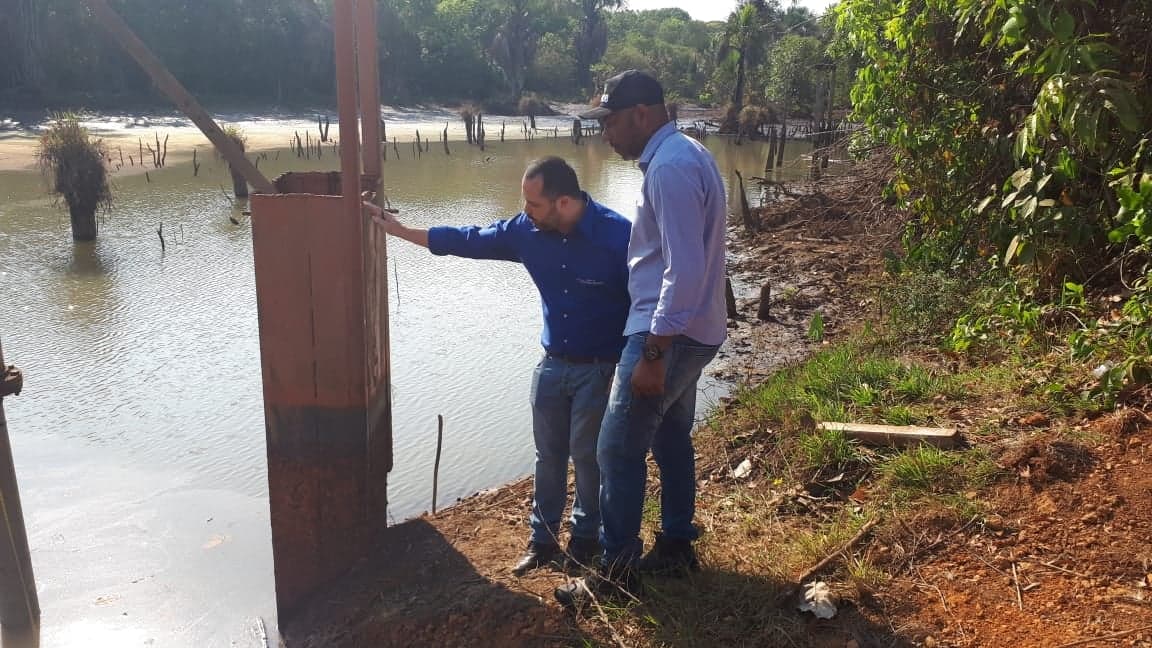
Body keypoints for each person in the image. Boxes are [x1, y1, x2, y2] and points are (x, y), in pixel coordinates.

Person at [363, 157, 632, 576]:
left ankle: (584, 541)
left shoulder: (618, 236)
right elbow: (469, 239)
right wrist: (400, 231)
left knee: (586, 456)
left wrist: (643, 362)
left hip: (600, 368)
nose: (525, 212)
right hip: (551, 365)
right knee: (548, 456)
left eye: (533, 204)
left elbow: (646, 301)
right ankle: (542, 542)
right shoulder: (527, 232)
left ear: (563, 202)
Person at [555, 70, 728, 607]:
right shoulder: (685, 153)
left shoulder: (670, 168)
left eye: (610, 122)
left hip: (668, 333)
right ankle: (677, 544)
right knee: (670, 436)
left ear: (641, 115)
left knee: (615, 448)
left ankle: (617, 572)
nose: (606, 133)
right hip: (692, 328)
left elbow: (684, 266)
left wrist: (654, 350)